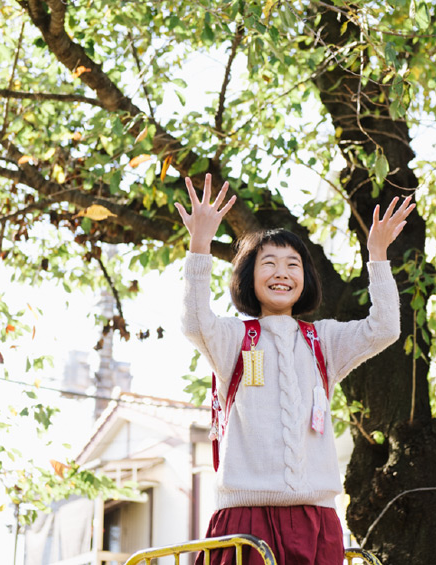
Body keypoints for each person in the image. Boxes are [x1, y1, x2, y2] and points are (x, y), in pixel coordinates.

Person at [175, 173, 415, 565]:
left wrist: (377, 255)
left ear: (305, 278)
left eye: (293, 264)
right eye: (268, 263)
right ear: (249, 276)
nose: (282, 273)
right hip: (245, 518)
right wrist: (200, 244)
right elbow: (195, 322)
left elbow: (385, 329)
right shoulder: (233, 338)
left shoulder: (324, 340)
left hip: (315, 519)